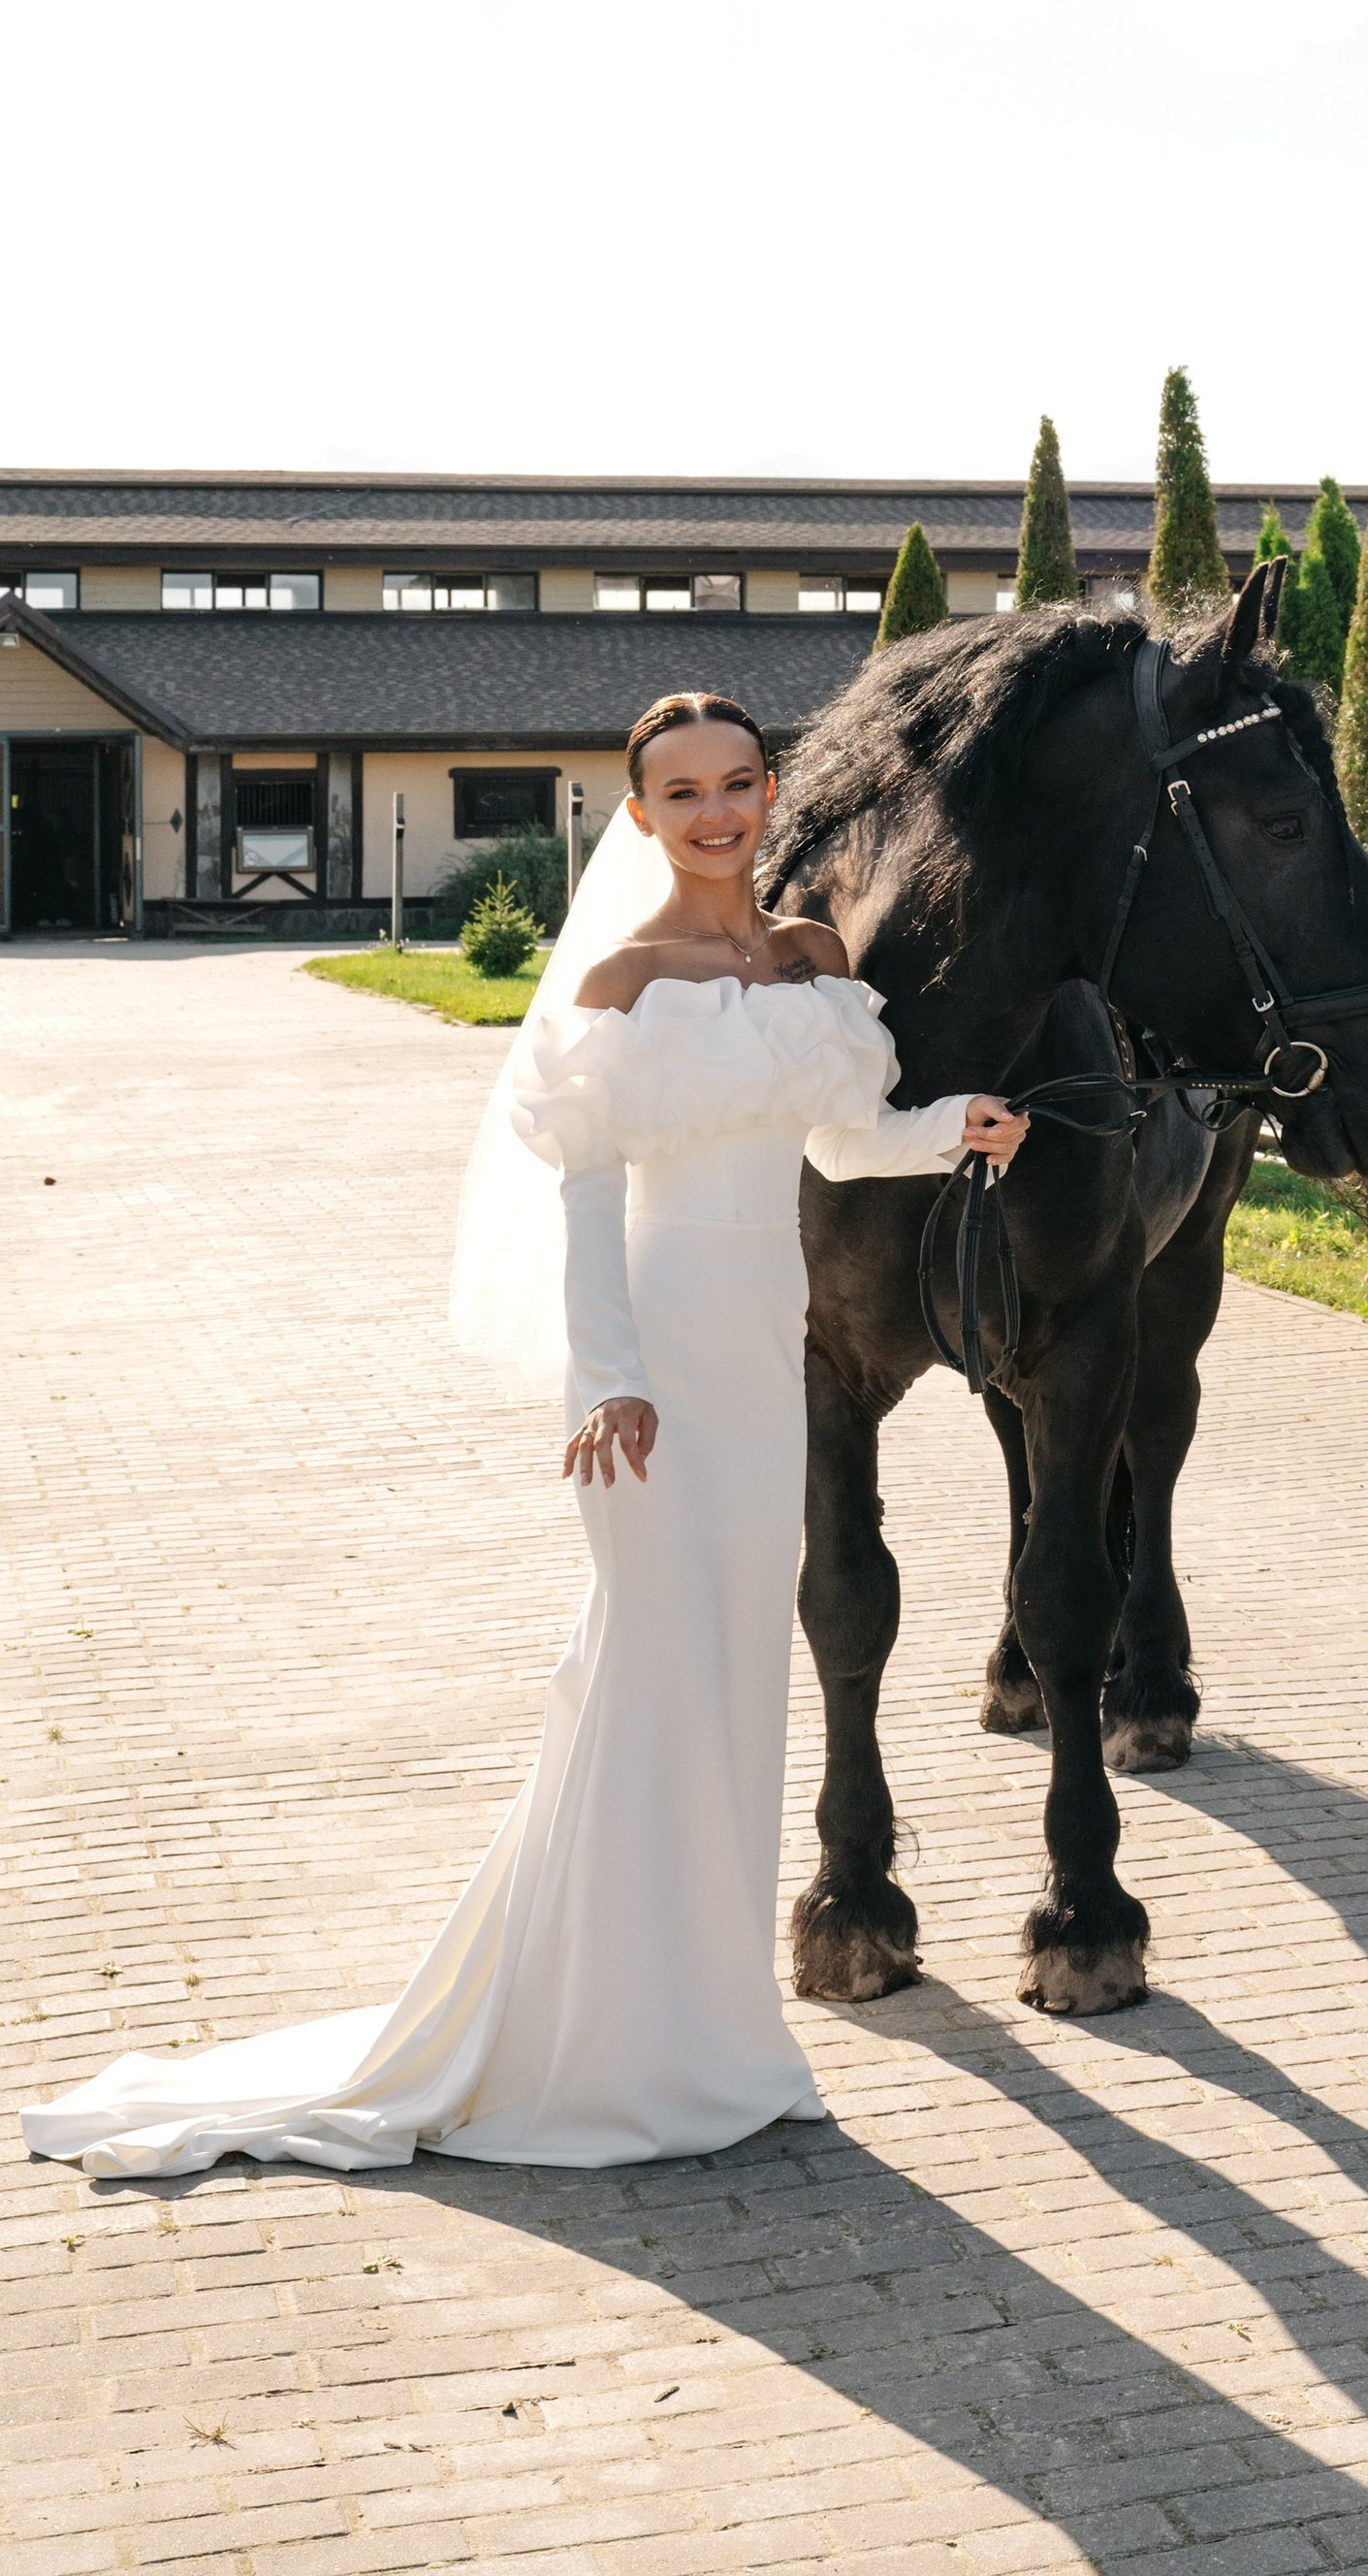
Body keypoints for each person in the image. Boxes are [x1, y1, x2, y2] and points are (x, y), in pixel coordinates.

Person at [22, 690, 1029, 2178]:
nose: (714, 813)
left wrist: (956, 1126)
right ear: (637, 816)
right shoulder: (624, 984)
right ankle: (610, 2052)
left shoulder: (814, 966)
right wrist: (605, 1375)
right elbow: (582, 1195)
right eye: (678, 792)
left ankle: (718, 2032)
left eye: (738, 783)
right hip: (658, 1366)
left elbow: (838, 1142)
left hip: (763, 1363)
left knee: (743, 1683)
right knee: (647, 1668)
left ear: (768, 791)